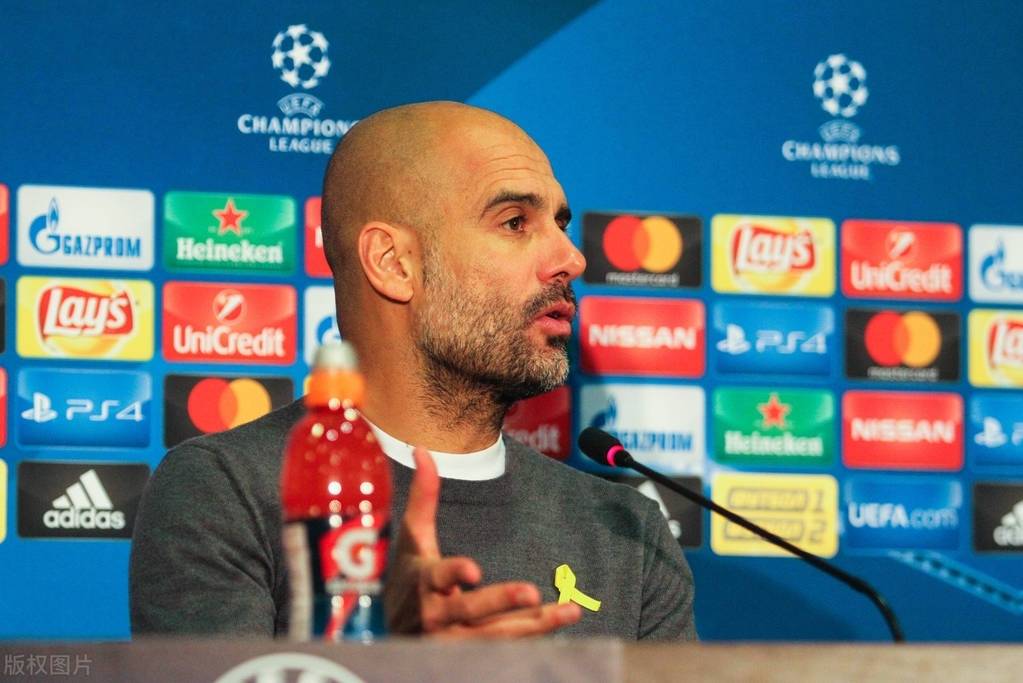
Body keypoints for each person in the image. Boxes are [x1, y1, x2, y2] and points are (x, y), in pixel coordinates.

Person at [130, 101, 697, 640]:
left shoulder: (627, 529)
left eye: (560, 224)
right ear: (393, 263)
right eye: (514, 222)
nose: (572, 258)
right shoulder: (228, 492)